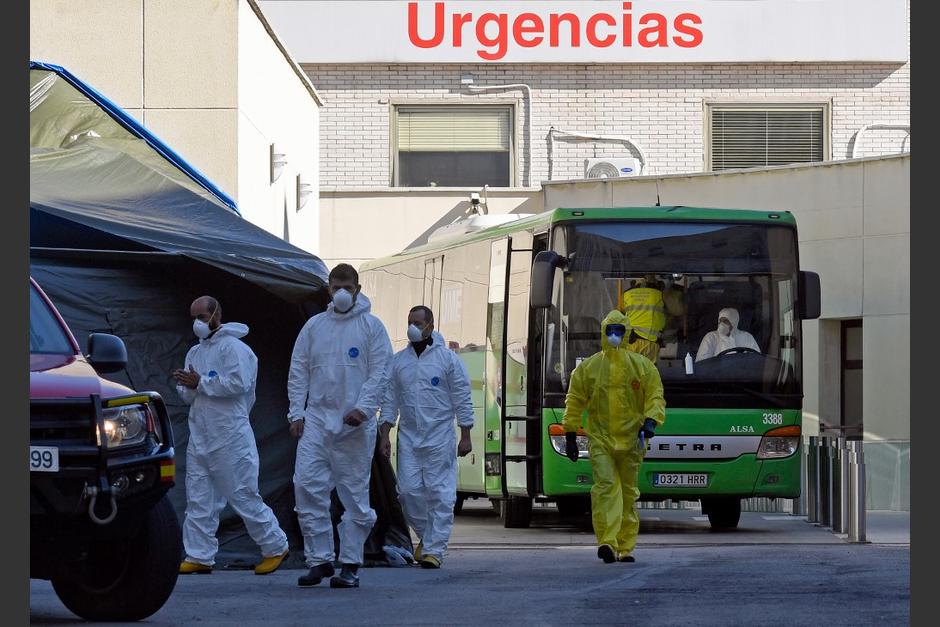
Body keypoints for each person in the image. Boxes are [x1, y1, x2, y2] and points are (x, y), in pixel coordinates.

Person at [288, 263, 392, 589]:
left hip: (354, 426)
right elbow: (299, 370)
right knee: (307, 487)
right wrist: (296, 413)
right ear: (329, 290)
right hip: (317, 421)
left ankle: (350, 563)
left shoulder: (372, 327)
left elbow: (381, 372)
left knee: (354, 494)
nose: (342, 293)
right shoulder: (314, 327)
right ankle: (319, 560)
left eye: (348, 287)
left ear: (358, 289)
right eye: (336, 287)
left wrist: (364, 409)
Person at [173, 296, 290, 576]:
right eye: (194, 318)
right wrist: (188, 386)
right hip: (201, 435)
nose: (197, 323)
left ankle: (275, 546)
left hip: (230, 435)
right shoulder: (194, 353)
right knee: (199, 498)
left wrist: (201, 382)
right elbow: (188, 395)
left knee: (242, 494)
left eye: (202, 317)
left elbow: (239, 384)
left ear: (217, 314)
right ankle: (199, 555)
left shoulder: (236, 349)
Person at [562, 309, 666, 564]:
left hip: (632, 440)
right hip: (601, 439)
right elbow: (574, 401)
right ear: (603, 333)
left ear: (627, 334)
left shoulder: (643, 367)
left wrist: (651, 421)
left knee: (628, 493)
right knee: (606, 487)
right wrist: (570, 433)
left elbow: (655, 396)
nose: (615, 335)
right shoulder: (589, 368)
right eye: (611, 331)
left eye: (619, 331)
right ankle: (607, 542)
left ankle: (625, 546)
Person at [378, 305, 473, 569]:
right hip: (409, 438)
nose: (413, 328)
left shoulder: (448, 360)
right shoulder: (399, 362)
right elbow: (390, 401)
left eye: (418, 323)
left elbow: (462, 398)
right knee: (407, 493)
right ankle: (428, 537)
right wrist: (385, 434)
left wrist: (465, 434)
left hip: (440, 437)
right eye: (410, 322)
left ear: (431, 325)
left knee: (440, 494)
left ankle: (434, 551)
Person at [621, 276, 669, 362]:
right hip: (650, 343)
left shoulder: (626, 295)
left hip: (631, 342)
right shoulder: (659, 294)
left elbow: (618, 316)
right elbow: (677, 311)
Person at [695, 307, 761, 362]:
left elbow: (757, 360)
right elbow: (702, 363)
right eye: (720, 321)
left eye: (725, 321)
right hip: (717, 373)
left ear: (734, 322)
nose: (721, 324)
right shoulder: (711, 337)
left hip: (743, 373)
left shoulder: (747, 337)